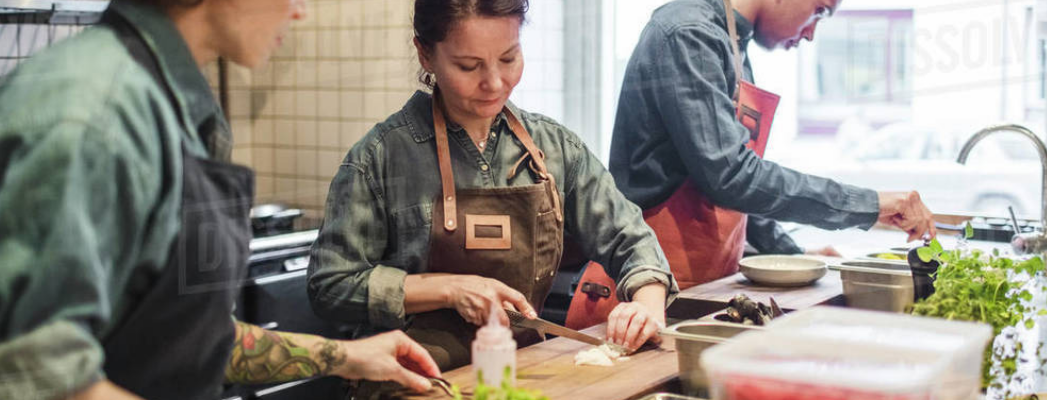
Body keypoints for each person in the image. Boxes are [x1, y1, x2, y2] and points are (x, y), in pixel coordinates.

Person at [0, 1, 441, 399]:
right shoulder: (94, 112)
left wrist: (348, 356)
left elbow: (193, 339)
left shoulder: (175, 101)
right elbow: (35, 369)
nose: (300, 9)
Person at [305, 0, 678, 386]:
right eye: (469, 66)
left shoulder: (555, 147)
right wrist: (448, 288)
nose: (495, 83)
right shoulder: (379, 158)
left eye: (509, 58)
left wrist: (646, 305)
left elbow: (629, 237)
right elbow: (330, 286)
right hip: (414, 385)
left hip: (523, 377)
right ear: (426, 54)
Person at [570, 0, 938, 326]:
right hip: (638, 300)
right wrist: (870, 205)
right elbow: (730, 176)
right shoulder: (689, 34)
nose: (811, 33)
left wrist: (790, 254)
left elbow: (731, 187)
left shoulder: (731, 45)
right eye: (820, 11)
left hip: (699, 289)